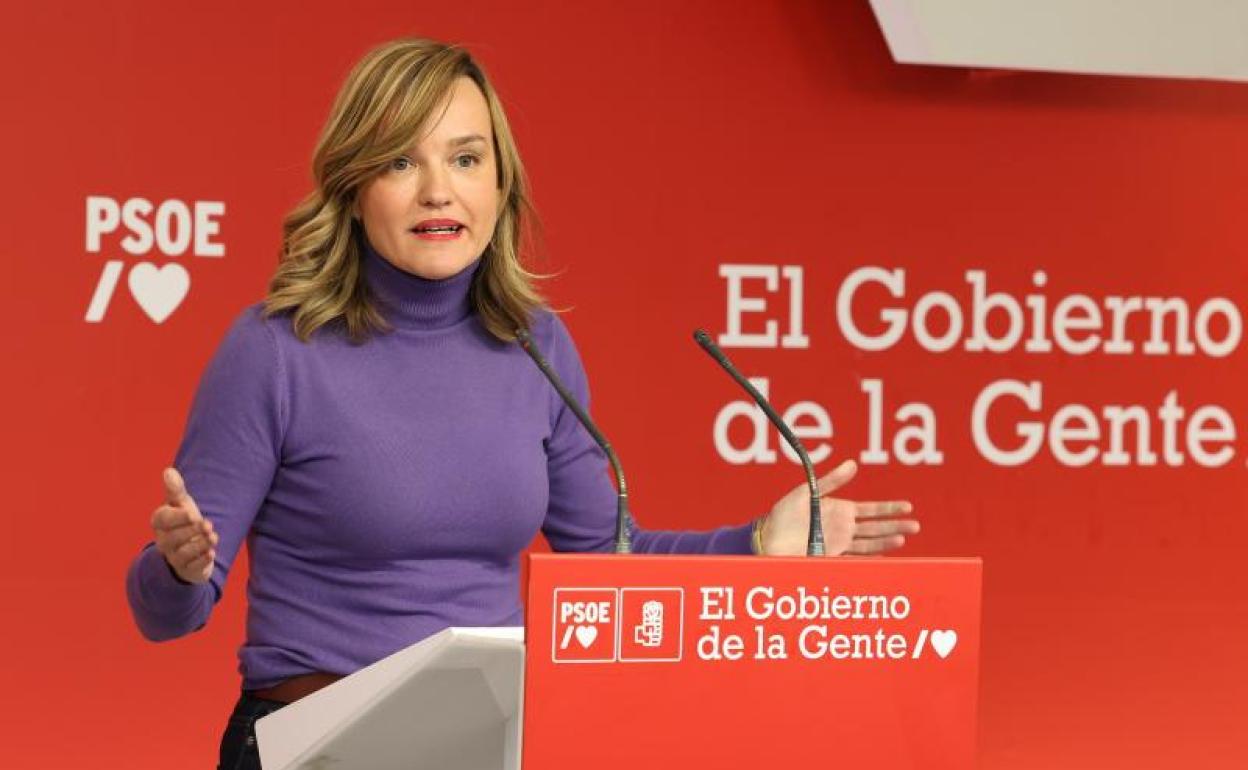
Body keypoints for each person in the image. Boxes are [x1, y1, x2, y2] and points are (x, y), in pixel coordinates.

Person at [124, 38, 919, 769]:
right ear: (354, 186)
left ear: (500, 185)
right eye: (400, 161)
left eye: (466, 158)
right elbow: (164, 615)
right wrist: (179, 568)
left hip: (487, 744)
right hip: (316, 742)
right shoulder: (275, 350)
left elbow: (607, 558)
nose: (439, 190)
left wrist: (757, 544)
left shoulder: (534, 345)